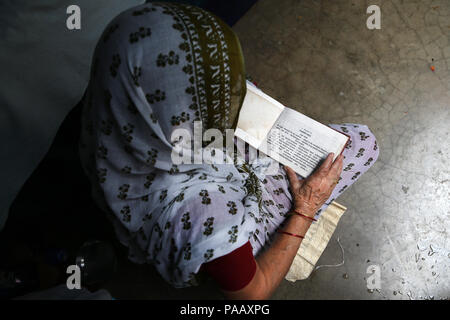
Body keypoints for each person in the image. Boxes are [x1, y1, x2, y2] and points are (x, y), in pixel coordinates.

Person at [78, 2, 379, 299]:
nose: (233, 94)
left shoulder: (122, 77)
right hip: (199, 202)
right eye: (210, 95)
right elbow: (252, 294)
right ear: (176, 113)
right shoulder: (206, 218)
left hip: (160, 165)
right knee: (360, 146)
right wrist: (306, 208)